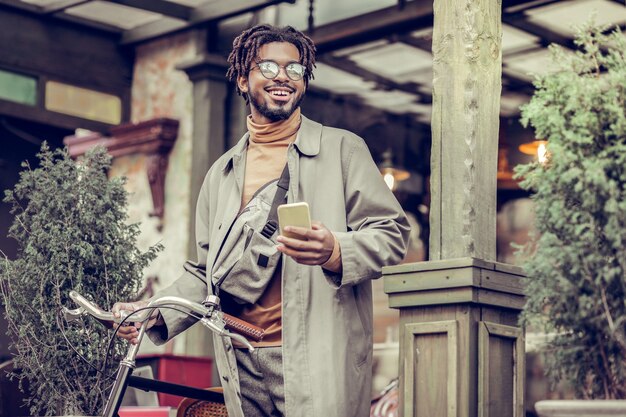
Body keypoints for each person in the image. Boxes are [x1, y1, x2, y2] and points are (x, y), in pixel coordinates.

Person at [113, 24, 410, 417]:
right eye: (268, 68)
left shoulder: (343, 150)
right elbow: (207, 273)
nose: (283, 77)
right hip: (240, 359)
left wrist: (336, 250)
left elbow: (392, 235)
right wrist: (155, 310)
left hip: (314, 357)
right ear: (242, 78)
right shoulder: (221, 173)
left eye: (295, 69)